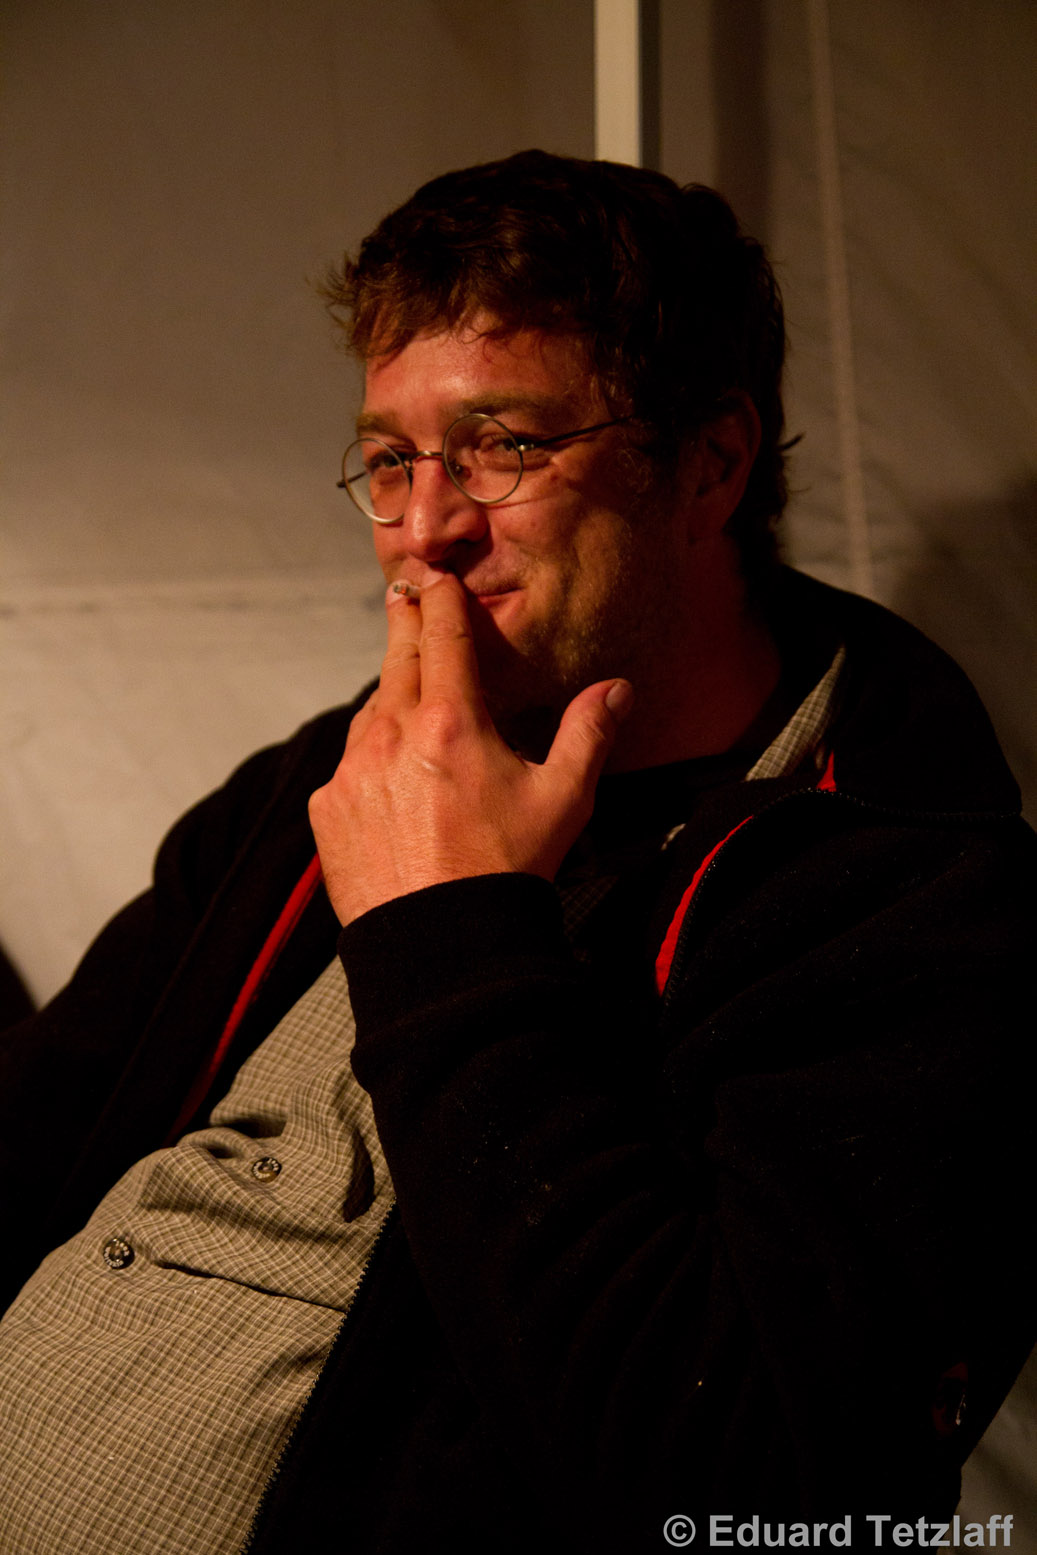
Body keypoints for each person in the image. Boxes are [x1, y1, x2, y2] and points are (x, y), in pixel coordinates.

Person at [0, 149, 1033, 1554]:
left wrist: (445, 928)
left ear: (709, 464)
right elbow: (38, 1131)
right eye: (390, 460)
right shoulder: (331, 775)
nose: (425, 530)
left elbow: (762, 1495)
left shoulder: (908, 899)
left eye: (502, 445)